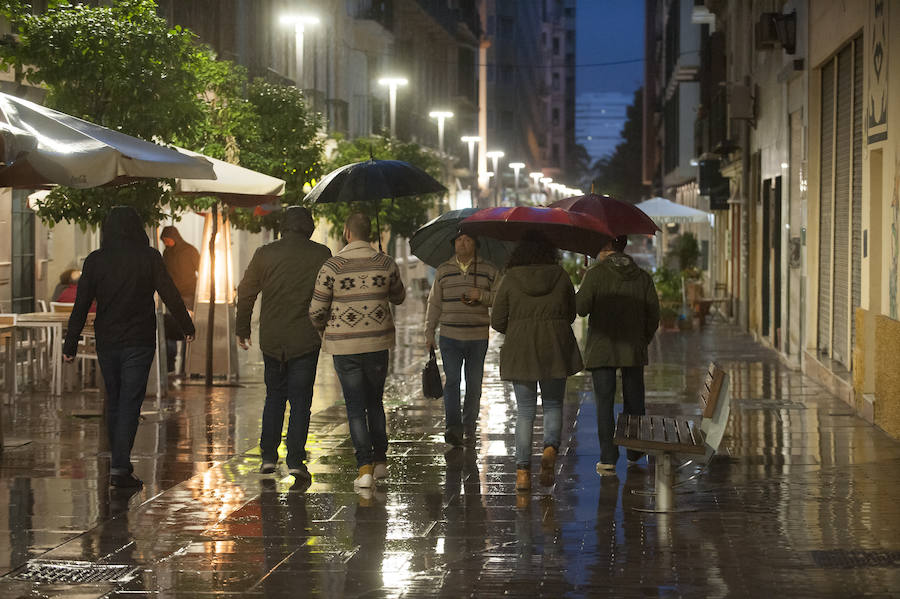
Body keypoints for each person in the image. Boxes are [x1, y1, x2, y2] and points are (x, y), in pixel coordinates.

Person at [63, 206, 194, 489]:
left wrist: (70, 343)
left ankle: (118, 464)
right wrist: (187, 326)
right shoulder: (149, 257)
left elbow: (82, 303)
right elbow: (168, 291)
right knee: (130, 402)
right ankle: (120, 467)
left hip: (107, 340)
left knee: (114, 398)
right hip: (139, 340)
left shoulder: (96, 260)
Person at [309, 212, 405, 489]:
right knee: (375, 402)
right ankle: (381, 462)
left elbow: (317, 309)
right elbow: (399, 297)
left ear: (347, 233)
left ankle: (363, 468)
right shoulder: (385, 262)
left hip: (345, 346)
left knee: (354, 407)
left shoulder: (332, 266)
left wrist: (323, 327)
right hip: (377, 344)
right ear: (370, 235)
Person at [236, 207, 331, 480]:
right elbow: (330, 294)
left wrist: (242, 327)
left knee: (274, 397)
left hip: (273, 340)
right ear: (309, 226)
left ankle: (267, 457)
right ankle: (295, 461)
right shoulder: (321, 255)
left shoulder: (265, 254)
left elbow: (246, 291)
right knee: (301, 401)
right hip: (306, 339)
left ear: (283, 226)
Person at [490, 231, 583, 491]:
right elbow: (571, 314)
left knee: (525, 411)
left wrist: (519, 328)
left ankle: (521, 473)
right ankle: (550, 448)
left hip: (521, 349)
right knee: (553, 405)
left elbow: (497, 320)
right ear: (549, 252)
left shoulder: (510, 278)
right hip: (554, 346)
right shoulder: (561, 276)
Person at [576, 235, 660, 474]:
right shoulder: (642, 277)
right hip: (633, 348)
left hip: (602, 348)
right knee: (635, 400)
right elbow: (653, 314)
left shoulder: (595, 275)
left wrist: (587, 283)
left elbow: (580, 308)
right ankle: (634, 451)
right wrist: (642, 339)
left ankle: (608, 458)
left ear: (606, 247)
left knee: (604, 403)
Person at [424, 232, 499, 447]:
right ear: (453, 244)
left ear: (476, 243)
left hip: (478, 337)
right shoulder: (443, 270)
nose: (462, 243)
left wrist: (481, 296)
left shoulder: (489, 270)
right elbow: (434, 303)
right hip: (450, 336)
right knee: (453, 382)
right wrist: (429, 332)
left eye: (467, 239)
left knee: (474, 384)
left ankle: (469, 425)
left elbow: (500, 297)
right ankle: (453, 428)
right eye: (458, 240)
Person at [160, 226, 200, 373]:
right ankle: (170, 362)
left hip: (189, 294)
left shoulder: (189, 251)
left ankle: (187, 364)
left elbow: (200, 268)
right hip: (172, 296)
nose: (167, 243)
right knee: (171, 328)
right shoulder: (166, 253)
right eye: (164, 241)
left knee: (186, 328)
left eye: (168, 239)